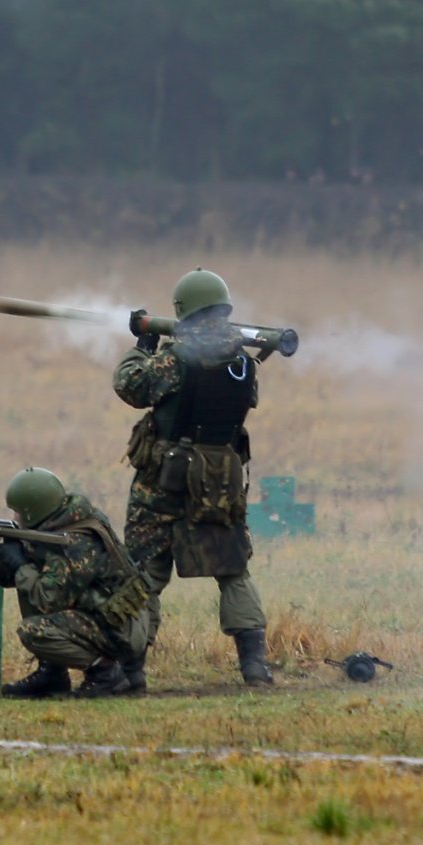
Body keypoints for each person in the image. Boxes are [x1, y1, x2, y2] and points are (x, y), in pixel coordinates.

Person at [113, 268, 274, 686]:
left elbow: (130, 386)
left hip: (163, 482)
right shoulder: (243, 361)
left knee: (144, 573)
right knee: (233, 569)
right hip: (219, 481)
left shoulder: (175, 358)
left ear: (182, 309)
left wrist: (142, 345)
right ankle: (255, 666)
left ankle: (130, 670)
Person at [0, 466, 153, 699]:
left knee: (34, 631)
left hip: (120, 628)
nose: (14, 518)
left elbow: (47, 599)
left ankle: (105, 674)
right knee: (31, 580)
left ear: (34, 511)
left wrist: (21, 565)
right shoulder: (57, 526)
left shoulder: (76, 542)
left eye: (18, 513)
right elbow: (15, 579)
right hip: (107, 617)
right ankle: (51, 675)